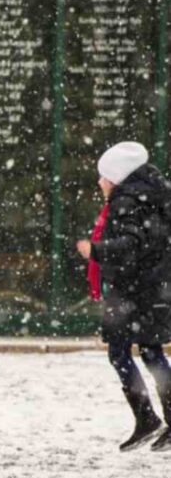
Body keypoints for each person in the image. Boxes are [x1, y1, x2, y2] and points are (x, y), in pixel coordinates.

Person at [76, 141, 171, 452]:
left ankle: (147, 419)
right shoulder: (153, 196)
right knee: (152, 352)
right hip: (151, 289)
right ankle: (155, 420)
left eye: (103, 177)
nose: (100, 183)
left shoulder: (126, 202)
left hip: (133, 292)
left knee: (120, 353)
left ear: (116, 177)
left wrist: (97, 251)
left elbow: (131, 245)